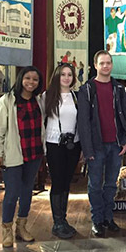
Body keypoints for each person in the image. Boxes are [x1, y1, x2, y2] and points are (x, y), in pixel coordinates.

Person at [78, 50, 126, 238]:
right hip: (96, 146)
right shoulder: (87, 89)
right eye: (102, 63)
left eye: (108, 63)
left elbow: (125, 115)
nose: (106, 66)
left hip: (116, 145)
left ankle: (109, 217)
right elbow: (83, 122)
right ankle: (97, 220)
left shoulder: (118, 89)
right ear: (95, 65)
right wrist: (87, 148)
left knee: (110, 184)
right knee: (95, 185)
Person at [0, 66, 45, 248]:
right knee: (12, 193)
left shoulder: (38, 101)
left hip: (34, 153)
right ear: (21, 79)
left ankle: (21, 227)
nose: (31, 82)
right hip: (13, 154)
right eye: (28, 78)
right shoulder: (7, 101)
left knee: (27, 192)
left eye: (35, 79)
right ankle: (6, 229)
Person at [43, 63, 81, 239]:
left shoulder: (76, 97)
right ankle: (57, 221)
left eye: (69, 75)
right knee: (57, 182)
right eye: (63, 74)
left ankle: (63, 219)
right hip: (54, 144)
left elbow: (81, 121)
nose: (66, 78)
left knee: (66, 182)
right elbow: (40, 122)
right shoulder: (47, 96)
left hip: (72, 144)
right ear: (57, 76)